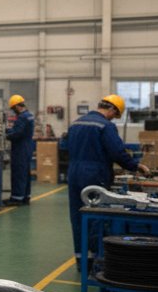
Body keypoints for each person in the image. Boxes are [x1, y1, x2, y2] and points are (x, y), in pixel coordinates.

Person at [65, 94, 151, 259]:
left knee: (77, 215)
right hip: (94, 174)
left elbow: (66, 146)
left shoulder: (76, 123)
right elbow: (117, 152)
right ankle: (97, 258)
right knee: (95, 215)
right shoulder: (105, 126)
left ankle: (81, 257)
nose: (113, 119)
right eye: (115, 115)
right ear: (111, 108)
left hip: (74, 172)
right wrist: (136, 166)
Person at [5, 94, 35, 205]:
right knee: (25, 173)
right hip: (27, 147)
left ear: (17, 106)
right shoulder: (29, 115)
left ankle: (16, 198)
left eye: (13, 109)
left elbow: (18, 133)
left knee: (18, 173)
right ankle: (26, 196)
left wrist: (6, 135)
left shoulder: (22, 117)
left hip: (20, 148)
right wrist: (10, 130)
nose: (13, 111)